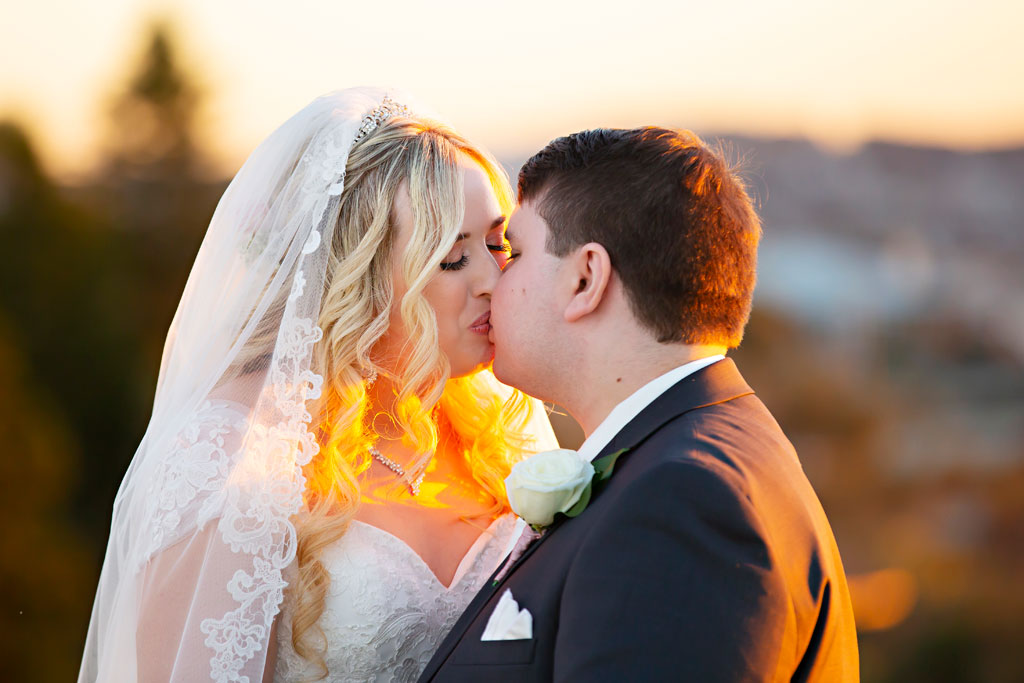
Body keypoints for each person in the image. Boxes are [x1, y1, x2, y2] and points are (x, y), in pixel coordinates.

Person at [77, 87, 556, 683]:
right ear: (358, 275)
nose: (494, 280)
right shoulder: (229, 458)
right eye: (453, 258)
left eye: (496, 244)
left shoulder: (496, 431)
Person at [419, 128, 860, 681]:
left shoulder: (680, 504)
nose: (495, 280)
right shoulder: (696, 454)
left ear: (586, 278)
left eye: (515, 251)